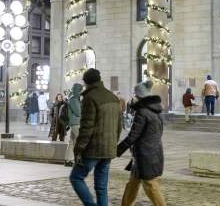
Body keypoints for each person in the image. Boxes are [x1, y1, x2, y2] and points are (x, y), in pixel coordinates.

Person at [70, 68, 121, 206]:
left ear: (86, 82)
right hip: (108, 149)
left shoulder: (90, 98)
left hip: (93, 149)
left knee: (76, 178)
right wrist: (113, 143)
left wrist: (78, 149)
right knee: (101, 187)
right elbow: (119, 126)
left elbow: (87, 127)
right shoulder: (113, 97)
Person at [117, 82, 167, 206]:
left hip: (145, 156)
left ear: (139, 96)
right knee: (133, 183)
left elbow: (133, 136)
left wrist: (117, 150)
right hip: (152, 152)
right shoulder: (157, 110)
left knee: (151, 185)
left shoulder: (142, 112)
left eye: (135, 94)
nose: (133, 97)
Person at [65, 83, 83, 167]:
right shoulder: (74, 99)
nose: (81, 92)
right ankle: (78, 160)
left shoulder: (75, 99)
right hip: (76, 123)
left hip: (75, 123)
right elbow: (78, 112)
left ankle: (68, 160)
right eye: (80, 90)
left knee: (72, 142)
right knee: (80, 141)